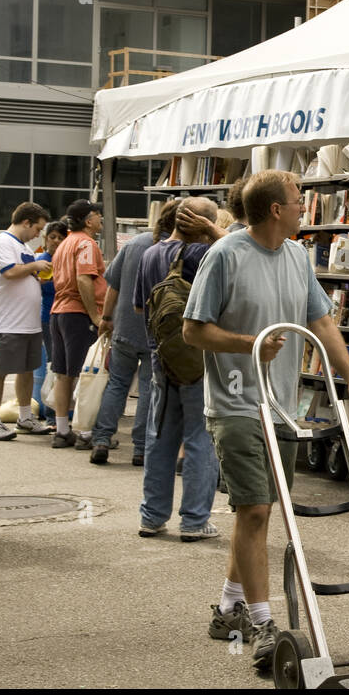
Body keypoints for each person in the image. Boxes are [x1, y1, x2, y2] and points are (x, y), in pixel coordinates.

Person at [183, 171, 349, 671]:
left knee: (261, 509)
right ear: (273, 209)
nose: (303, 207)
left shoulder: (295, 255)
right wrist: (251, 344)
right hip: (236, 403)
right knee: (256, 512)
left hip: (283, 406)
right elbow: (193, 331)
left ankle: (229, 606)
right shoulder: (224, 256)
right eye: (297, 200)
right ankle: (263, 623)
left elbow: (322, 320)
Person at [131, 197, 221, 536]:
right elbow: (242, 252)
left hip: (161, 359)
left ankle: (152, 517)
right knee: (201, 438)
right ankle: (195, 521)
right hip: (200, 358)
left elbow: (141, 309)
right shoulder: (205, 254)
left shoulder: (150, 253)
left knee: (160, 437)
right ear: (204, 224)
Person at [89, 208, 162, 467]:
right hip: (156, 334)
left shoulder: (134, 244)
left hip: (125, 328)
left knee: (117, 384)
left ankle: (101, 439)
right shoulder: (176, 249)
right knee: (147, 390)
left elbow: (114, 286)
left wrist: (107, 318)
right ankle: (140, 449)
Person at [0, 202, 53, 441]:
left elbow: (22, 273)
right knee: (0, 370)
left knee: (27, 369)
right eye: (37, 228)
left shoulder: (22, 245)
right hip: (9, 321)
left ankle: (25, 417)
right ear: (26, 222)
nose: (38, 235)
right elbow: (10, 272)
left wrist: (35, 276)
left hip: (28, 321)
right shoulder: (3, 242)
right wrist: (34, 266)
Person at [49, 199, 107, 449]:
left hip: (59, 312)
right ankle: (84, 433)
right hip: (77, 314)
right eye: (97, 214)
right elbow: (84, 280)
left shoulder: (65, 243)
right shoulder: (86, 242)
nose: (101, 218)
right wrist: (95, 315)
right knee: (86, 375)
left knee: (63, 375)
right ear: (88, 220)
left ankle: (62, 430)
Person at [32, 221, 67, 423]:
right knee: (54, 364)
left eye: (60, 237)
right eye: (52, 237)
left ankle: (60, 410)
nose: (56, 241)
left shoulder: (66, 259)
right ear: (45, 239)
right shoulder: (42, 261)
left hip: (67, 317)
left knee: (62, 364)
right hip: (48, 318)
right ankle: (52, 414)